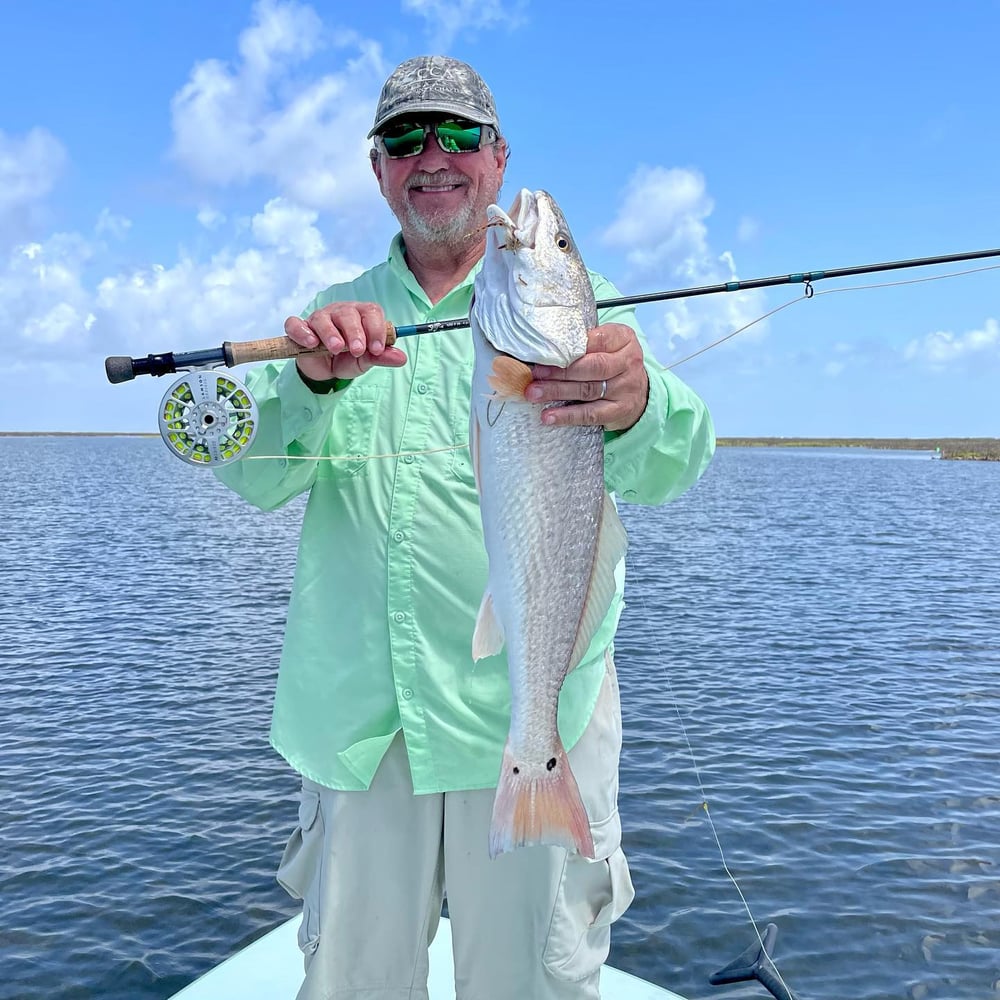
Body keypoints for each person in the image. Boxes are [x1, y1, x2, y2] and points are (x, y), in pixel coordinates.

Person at [215, 55, 715, 1000]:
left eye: (457, 134)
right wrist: (313, 384)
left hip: (532, 721)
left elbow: (680, 459)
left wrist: (641, 400)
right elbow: (256, 481)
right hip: (370, 734)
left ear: (497, 157)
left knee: (531, 984)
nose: (431, 156)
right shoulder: (334, 318)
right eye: (405, 138)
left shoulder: (582, 308)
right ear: (378, 168)